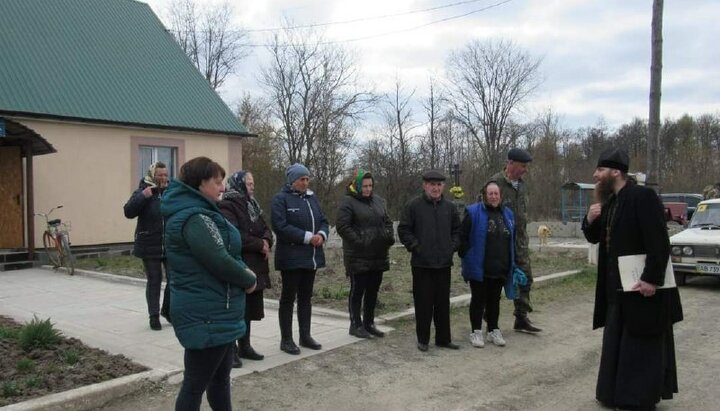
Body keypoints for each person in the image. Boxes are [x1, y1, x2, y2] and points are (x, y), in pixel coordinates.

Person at [582, 147, 683, 410]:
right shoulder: (612, 202)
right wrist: (589, 219)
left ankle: (636, 399)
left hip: (641, 288)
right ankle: (613, 393)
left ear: (616, 172)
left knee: (640, 344)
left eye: (600, 170)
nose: (595, 175)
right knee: (618, 342)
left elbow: (659, 242)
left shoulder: (643, 197)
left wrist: (652, 279)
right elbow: (595, 238)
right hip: (617, 291)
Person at [161, 157, 257, 411]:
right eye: (217, 182)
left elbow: (223, 251)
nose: (222, 187)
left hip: (216, 310)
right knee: (195, 385)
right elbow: (218, 259)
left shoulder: (203, 212)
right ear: (200, 183)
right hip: (207, 314)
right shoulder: (195, 218)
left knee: (219, 380)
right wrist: (248, 278)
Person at [398, 169, 461, 352]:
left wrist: (452, 246)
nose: (435, 188)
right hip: (422, 264)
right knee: (423, 303)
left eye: (439, 185)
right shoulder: (413, 206)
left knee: (442, 303)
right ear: (425, 185)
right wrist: (416, 246)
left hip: (443, 263)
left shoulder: (449, 208)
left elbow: (457, 231)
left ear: (443, 187)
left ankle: (443, 338)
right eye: (432, 184)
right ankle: (423, 339)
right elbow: (404, 230)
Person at [271, 163, 329, 355]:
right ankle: (286, 339)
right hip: (291, 258)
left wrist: (321, 234)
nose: (305, 182)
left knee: (306, 298)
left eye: (307, 179)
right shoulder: (281, 199)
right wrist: (306, 237)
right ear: (292, 181)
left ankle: (306, 336)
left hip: (310, 257)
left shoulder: (312, 199)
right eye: (302, 179)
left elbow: (323, 220)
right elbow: (280, 226)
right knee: (288, 299)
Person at [459, 181, 523, 348]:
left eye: (496, 194)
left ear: (500, 196)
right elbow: (462, 237)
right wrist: (467, 255)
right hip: (479, 267)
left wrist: (513, 263)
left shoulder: (508, 214)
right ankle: (476, 331)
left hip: (501, 267)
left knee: (495, 300)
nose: (493, 196)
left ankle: (493, 329)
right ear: (485, 195)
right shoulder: (473, 212)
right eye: (490, 193)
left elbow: (512, 239)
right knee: (478, 300)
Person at [219, 171, 273, 368]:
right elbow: (234, 234)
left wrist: (266, 240)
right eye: (249, 183)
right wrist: (259, 244)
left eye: (253, 183)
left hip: (256, 264)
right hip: (240, 263)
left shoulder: (252, 203)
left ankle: (245, 346)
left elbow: (265, 227)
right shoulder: (227, 205)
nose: (252, 187)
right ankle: (231, 349)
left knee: (248, 309)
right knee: (237, 308)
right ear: (239, 184)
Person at [336, 168, 395, 339]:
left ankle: (369, 323)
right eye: (365, 185)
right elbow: (343, 226)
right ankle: (355, 324)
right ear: (358, 185)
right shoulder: (348, 202)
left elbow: (387, 221)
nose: (368, 189)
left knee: (373, 291)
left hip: (378, 254)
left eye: (370, 185)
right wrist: (360, 241)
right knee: (358, 291)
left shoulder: (378, 201)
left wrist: (388, 236)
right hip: (358, 255)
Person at [490, 148, 542, 333]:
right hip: (500, 242)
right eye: (522, 166)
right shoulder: (495, 183)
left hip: (520, 242)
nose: (525, 169)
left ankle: (521, 318)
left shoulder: (523, 186)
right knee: (494, 281)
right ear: (510, 163)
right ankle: (487, 317)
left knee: (525, 279)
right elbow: (484, 211)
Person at [123, 161, 170, 330]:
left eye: (165, 175)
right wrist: (143, 196)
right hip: (149, 243)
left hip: (170, 244)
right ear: (152, 175)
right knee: (154, 280)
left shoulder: (171, 192)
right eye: (160, 175)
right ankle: (154, 316)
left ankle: (167, 310)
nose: (163, 178)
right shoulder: (143, 190)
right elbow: (128, 212)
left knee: (174, 279)